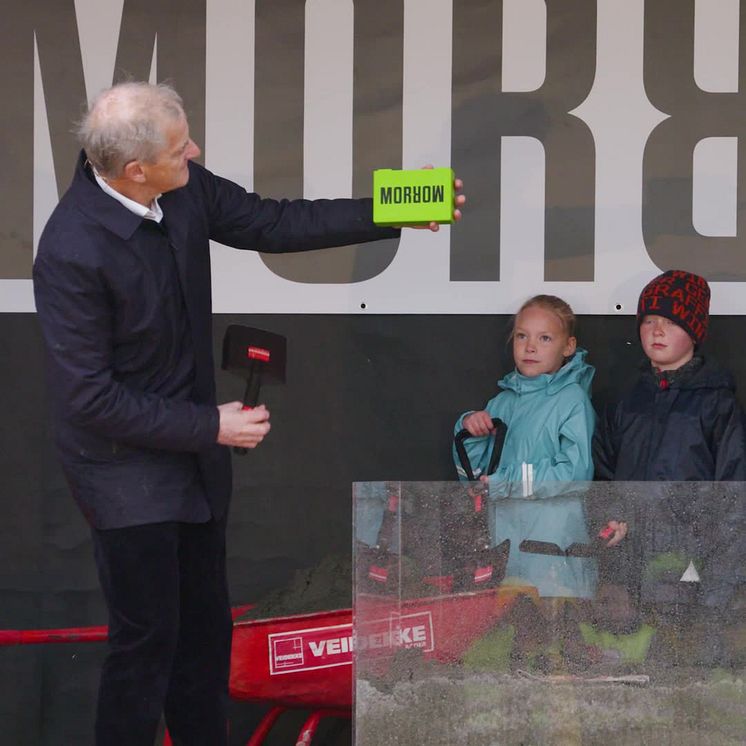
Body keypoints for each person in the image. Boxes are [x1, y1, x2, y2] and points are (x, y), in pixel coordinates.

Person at [32, 81, 465, 746]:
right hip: (123, 479)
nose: (196, 153)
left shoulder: (178, 187)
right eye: (181, 150)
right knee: (147, 644)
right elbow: (89, 398)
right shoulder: (70, 249)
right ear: (134, 170)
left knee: (205, 639)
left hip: (195, 464)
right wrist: (212, 425)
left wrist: (395, 209)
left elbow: (273, 221)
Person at [593, 269, 746, 663]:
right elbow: (604, 472)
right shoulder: (626, 397)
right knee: (628, 670)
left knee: (683, 670)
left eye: (671, 322)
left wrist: (716, 592)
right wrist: (612, 517)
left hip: (689, 570)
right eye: (649, 321)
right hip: (628, 569)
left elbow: (733, 495)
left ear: (693, 330)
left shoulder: (717, 402)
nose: (657, 331)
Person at [452, 295, 614, 601]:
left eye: (545, 338)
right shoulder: (501, 402)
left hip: (554, 550)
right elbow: (474, 479)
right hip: (505, 547)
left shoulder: (572, 400)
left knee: (555, 636)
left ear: (568, 347)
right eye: (522, 336)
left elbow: (575, 472)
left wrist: (506, 483)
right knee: (512, 632)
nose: (530, 347)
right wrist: (468, 431)